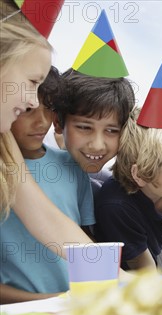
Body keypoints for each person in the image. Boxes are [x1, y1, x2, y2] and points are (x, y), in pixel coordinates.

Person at [0, 0, 94, 263]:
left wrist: (124, 283)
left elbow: (47, 220)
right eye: (31, 82)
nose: (33, 100)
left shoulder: (4, 144)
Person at [0, 67, 96, 304]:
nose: (42, 121)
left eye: (50, 108)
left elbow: (79, 240)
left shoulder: (72, 168)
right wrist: (53, 300)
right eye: (28, 109)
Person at [94, 63, 162, 270]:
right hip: (125, 284)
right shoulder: (116, 205)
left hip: (160, 265)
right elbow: (145, 271)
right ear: (141, 174)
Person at [52, 9, 135, 195]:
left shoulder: (108, 187)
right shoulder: (35, 173)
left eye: (112, 130)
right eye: (84, 127)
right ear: (58, 122)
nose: (98, 144)